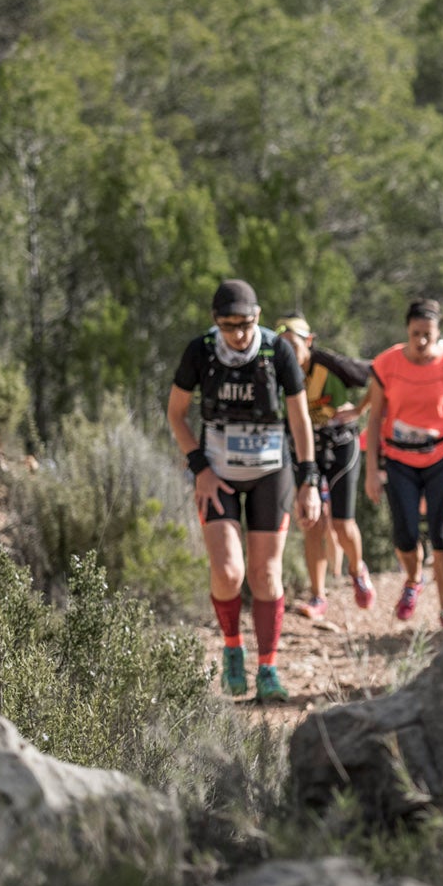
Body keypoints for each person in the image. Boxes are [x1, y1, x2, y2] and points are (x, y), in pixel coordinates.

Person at [166, 279, 322, 702]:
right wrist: (199, 467)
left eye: (247, 323)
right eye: (229, 325)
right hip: (218, 472)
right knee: (229, 572)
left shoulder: (277, 351)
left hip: (272, 472)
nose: (239, 334)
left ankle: (268, 668)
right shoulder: (200, 351)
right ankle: (233, 647)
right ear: (216, 322)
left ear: (258, 317)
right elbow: (176, 413)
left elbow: (300, 419)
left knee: (265, 573)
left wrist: (310, 480)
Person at [361, 301, 443, 627]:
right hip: (399, 459)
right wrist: (372, 470)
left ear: (438, 333)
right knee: (404, 534)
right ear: (407, 331)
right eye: (416, 334)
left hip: (441, 458)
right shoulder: (387, 364)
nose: (421, 341)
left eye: (427, 335)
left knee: (441, 534)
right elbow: (374, 418)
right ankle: (413, 579)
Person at [275, 317, 376, 618]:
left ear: (309, 341)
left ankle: (357, 570)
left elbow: (381, 373)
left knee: (342, 525)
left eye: (294, 344)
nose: (288, 352)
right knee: (312, 523)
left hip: (341, 446)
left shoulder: (329, 365)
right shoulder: (278, 371)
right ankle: (318, 596)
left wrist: (360, 408)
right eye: (283, 346)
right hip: (304, 450)